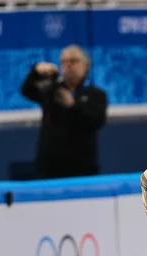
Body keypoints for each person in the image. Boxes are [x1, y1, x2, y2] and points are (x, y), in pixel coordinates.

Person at [20, 45, 108, 179]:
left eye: (73, 61)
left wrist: (73, 106)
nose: (68, 66)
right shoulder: (52, 91)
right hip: (50, 167)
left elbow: (97, 121)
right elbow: (27, 90)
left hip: (82, 168)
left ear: (86, 66)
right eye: (64, 62)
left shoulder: (96, 95)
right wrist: (36, 71)